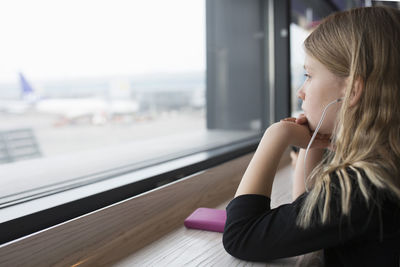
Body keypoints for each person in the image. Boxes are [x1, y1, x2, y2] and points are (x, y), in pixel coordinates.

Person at [222, 6, 400, 267]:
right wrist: (313, 144)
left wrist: (276, 135)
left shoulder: (362, 186)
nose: (301, 92)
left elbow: (241, 236)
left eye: (308, 75)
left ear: (352, 90)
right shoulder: (386, 169)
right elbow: (308, 220)